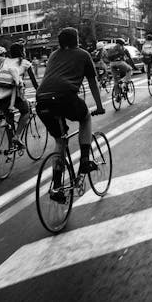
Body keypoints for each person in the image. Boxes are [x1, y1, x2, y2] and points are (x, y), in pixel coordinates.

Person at [35, 27, 105, 200]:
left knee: (60, 142)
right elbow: (92, 82)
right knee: (86, 116)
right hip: (65, 96)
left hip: (42, 100)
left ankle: (57, 187)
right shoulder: (83, 54)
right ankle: (85, 160)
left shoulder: (53, 55)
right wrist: (99, 106)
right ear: (76, 40)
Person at [0, 43, 39, 148]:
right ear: (22, 52)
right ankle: (17, 137)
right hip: (11, 95)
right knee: (26, 111)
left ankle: (10, 147)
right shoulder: (25, 63)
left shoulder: (5, 61)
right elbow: (34, 82)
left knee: (9, 119)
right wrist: (39, 93)